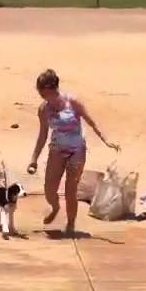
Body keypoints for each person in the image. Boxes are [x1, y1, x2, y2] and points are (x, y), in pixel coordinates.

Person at [26, 69, 119, 235]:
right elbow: (42, 135)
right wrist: (34, 158)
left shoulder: (72, 102)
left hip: (77, 151)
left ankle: (70, 224)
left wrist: (106, 140)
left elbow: (91, 122)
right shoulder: (43, 110)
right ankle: (55, 207)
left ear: (51, 88)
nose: (39, 93)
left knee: (71, 190)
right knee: (49, 189)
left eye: (41, 90)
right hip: (56, 150)